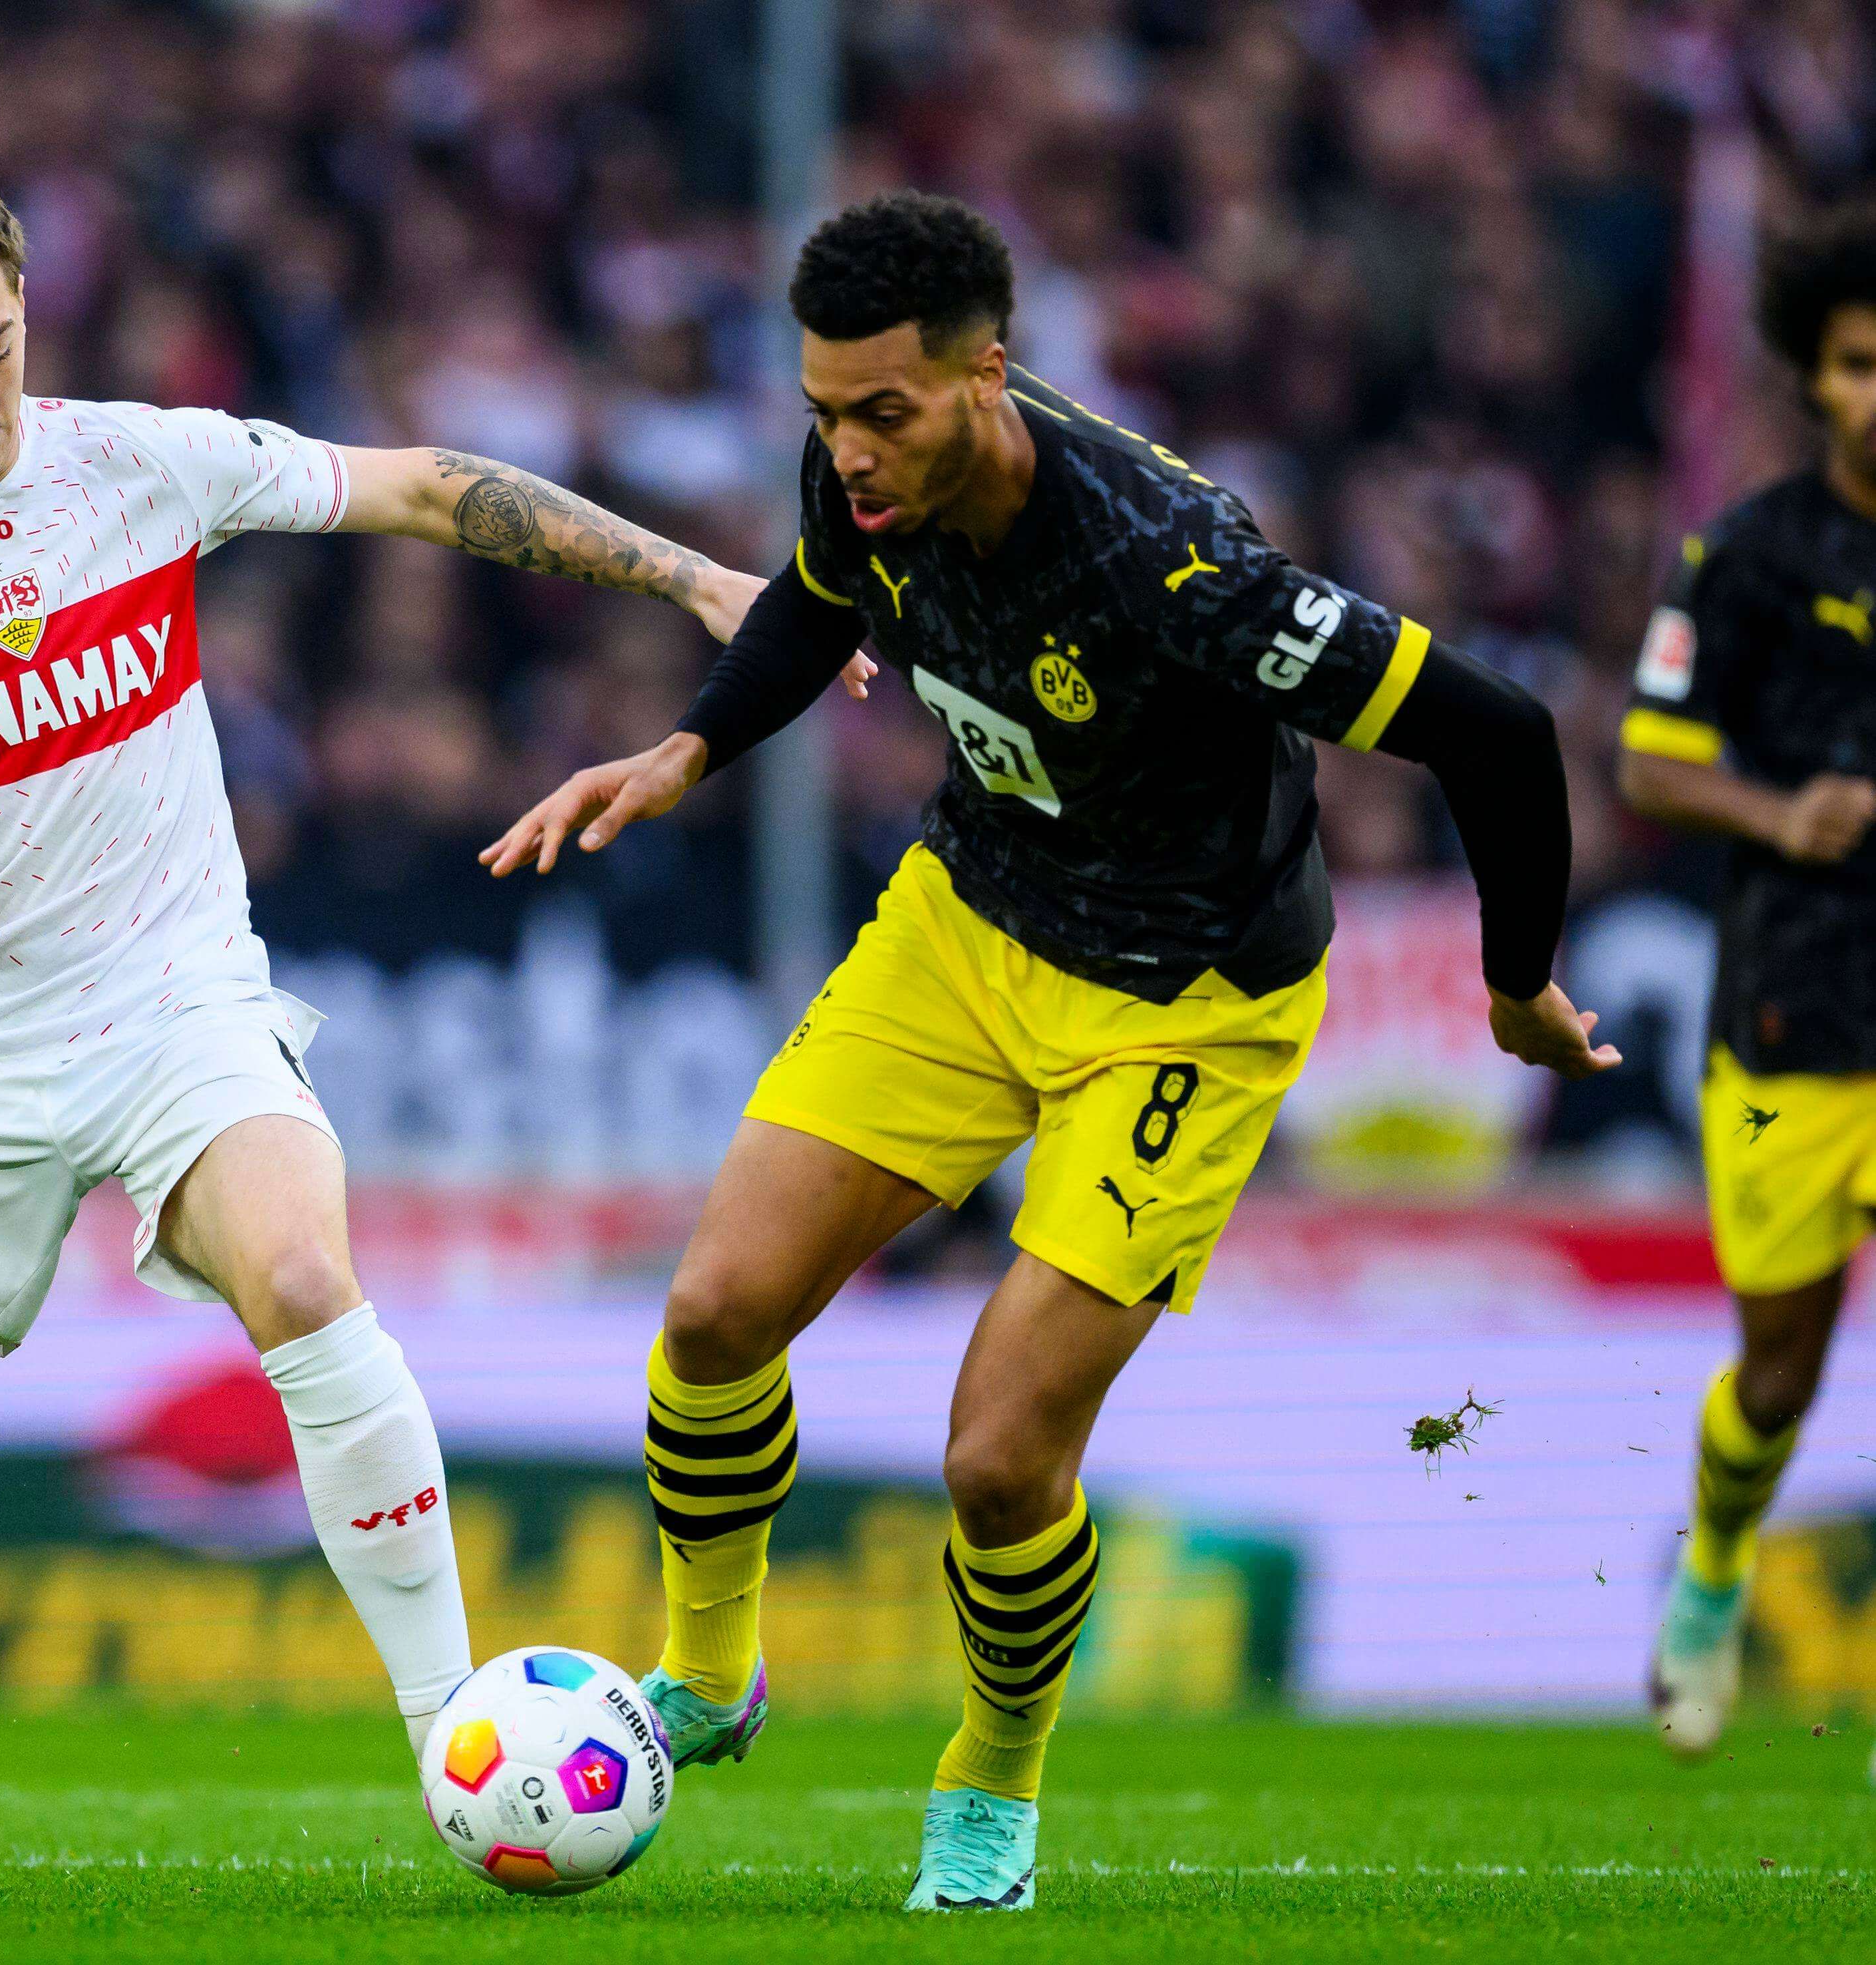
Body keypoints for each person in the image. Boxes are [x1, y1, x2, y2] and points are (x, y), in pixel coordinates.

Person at [0, 155, 802, 1894]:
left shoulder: (132, 462)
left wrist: (693, 580)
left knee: (301, 1275)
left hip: (175, 1003)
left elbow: (423, 487)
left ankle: (451, 1732)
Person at [485, 190, 1614, 1911]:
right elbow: (817, 600)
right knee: (713, 1313)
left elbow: (1500, 731)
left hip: (1183, 1004)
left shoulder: (1171, 563)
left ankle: (989, 1784)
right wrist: (684, 752)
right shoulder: (857, 471)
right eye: (823, 412)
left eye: (883, 412)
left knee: (999, 1458)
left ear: (986, 374)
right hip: (968, 921)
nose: (848, 452)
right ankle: (708, 1676)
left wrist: (1516, 983)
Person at [1619, 200, 1876, 1771]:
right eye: (1856, 363)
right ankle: (1713, 1571)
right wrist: (1781, 815)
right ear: (1812, 376)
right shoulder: (1748, 557)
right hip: (1793, 1014)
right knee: (1779, 1369)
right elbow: (1649, 760)